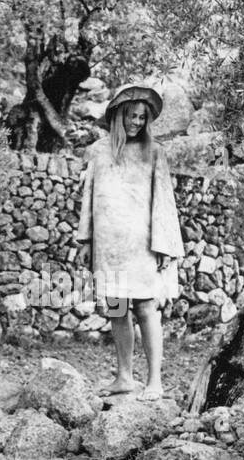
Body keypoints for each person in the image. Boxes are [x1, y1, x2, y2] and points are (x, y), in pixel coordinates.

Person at [75, 83, 183, 401]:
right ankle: (124, 376)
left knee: (146, 308)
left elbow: (164, 200)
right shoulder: (99, 151)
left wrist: (164, 245)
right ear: (118, 114)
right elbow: (89, 197)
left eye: (142, 117)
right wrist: (85, 239)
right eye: (132, 116)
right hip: (108, 247)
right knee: (117, 309)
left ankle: (154, 381)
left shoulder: (154, 152)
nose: (136, 122)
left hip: (142, 247)